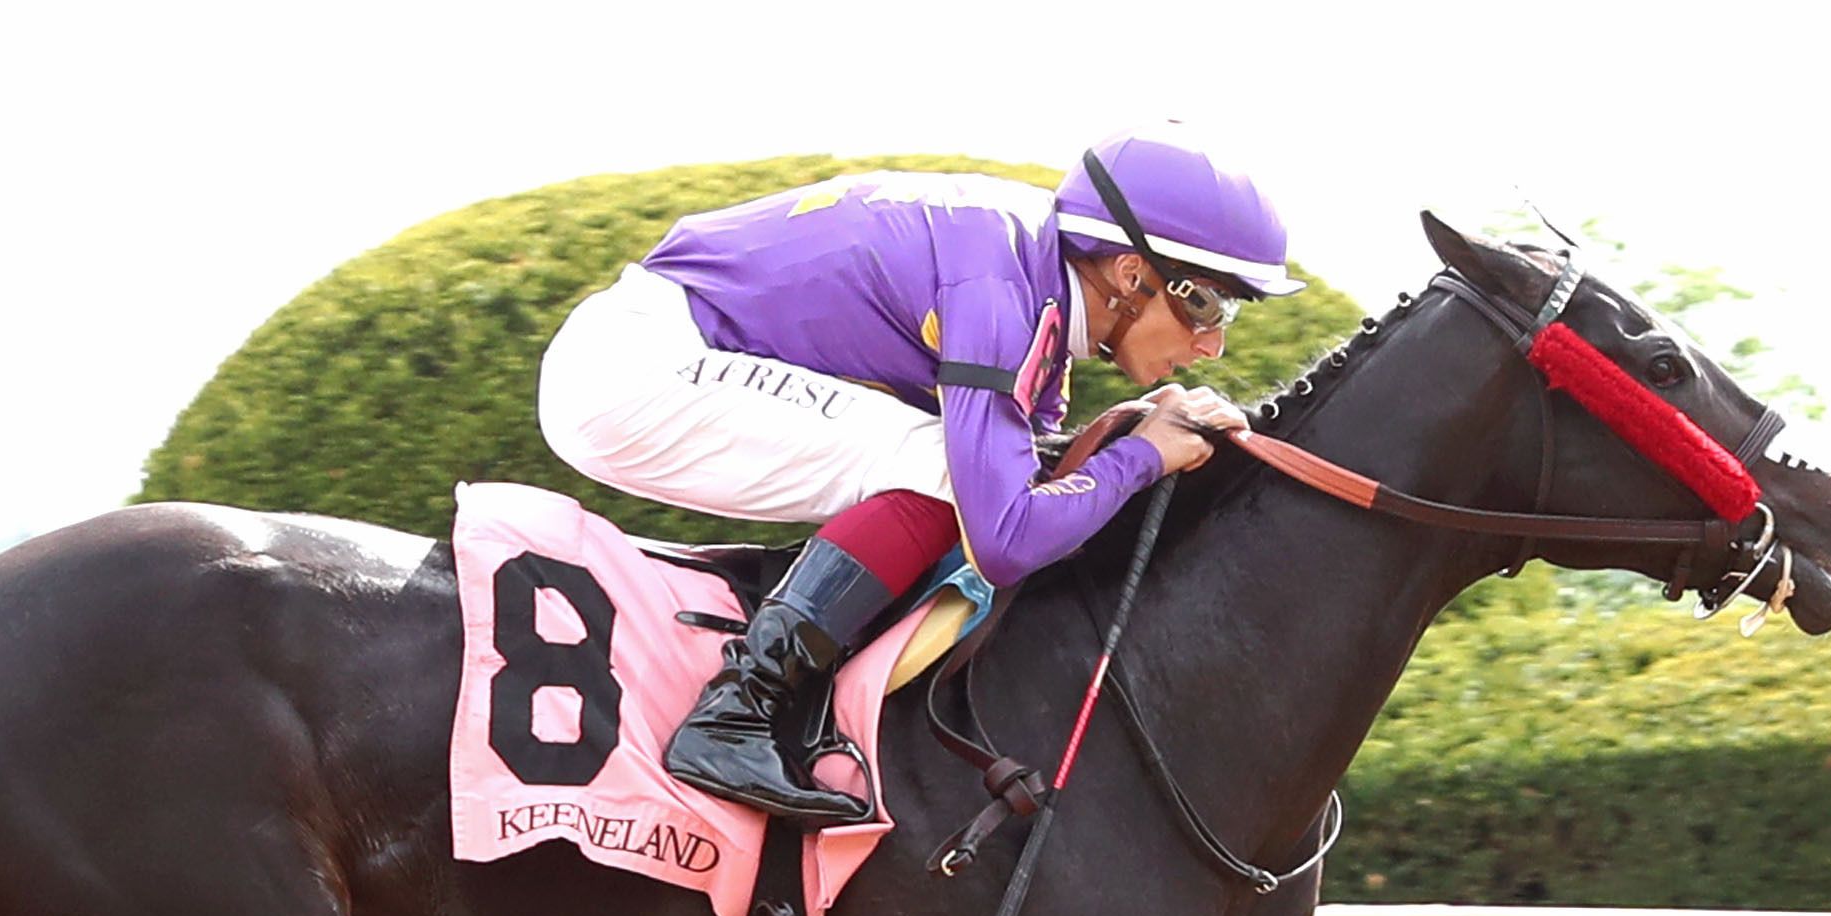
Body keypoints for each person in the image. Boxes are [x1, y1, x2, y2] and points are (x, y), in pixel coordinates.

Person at [535, 135, 1296, 824]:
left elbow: (1025, 475)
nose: (1215, 344)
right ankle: (737, 710)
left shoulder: (1030, 278)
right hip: (634, 370)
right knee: (940, 472)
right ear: (1131, 272)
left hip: (656, 353)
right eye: (1210, 301)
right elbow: (1003, 537)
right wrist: (1143, 455)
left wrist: (1128, 429)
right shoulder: (1002, 290)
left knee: (949, 467)